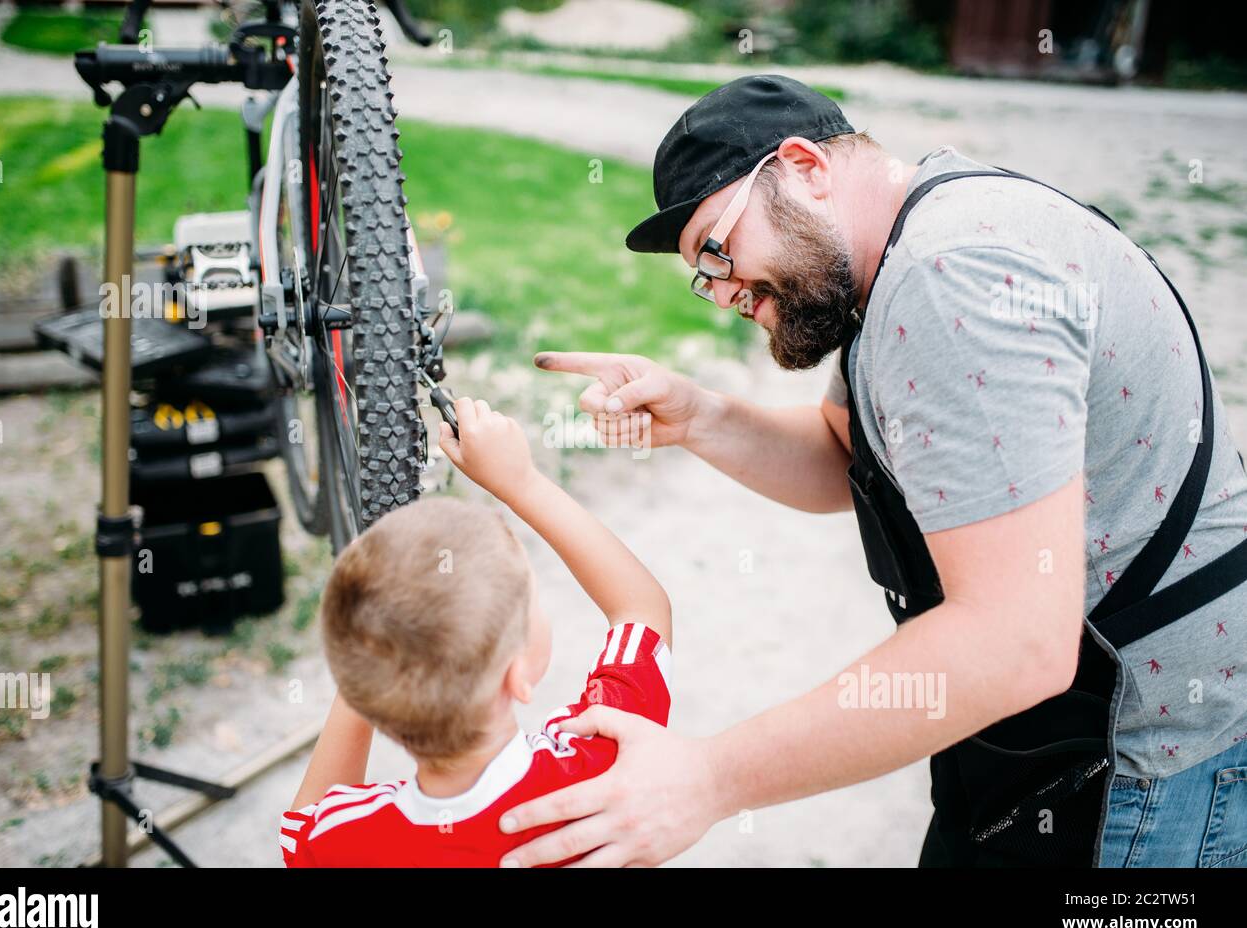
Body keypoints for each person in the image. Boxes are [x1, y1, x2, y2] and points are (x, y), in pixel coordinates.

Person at [492, 74, 1247, 867]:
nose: (723, 296)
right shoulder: (902, 251)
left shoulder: (946, 276)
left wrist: (708, 778)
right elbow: (849, 457)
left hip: (1152, 765)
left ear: (805, 167)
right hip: (1055, 747)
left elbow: (1013, 642)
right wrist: (700, 417)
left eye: (717, 248)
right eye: (703, 276)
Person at [279, 396, 672, 866]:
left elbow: (305, 824)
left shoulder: (346, 841)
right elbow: (642, 608)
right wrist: (520, 483)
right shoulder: (600, 768)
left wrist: (373, 654)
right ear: (517, 674)